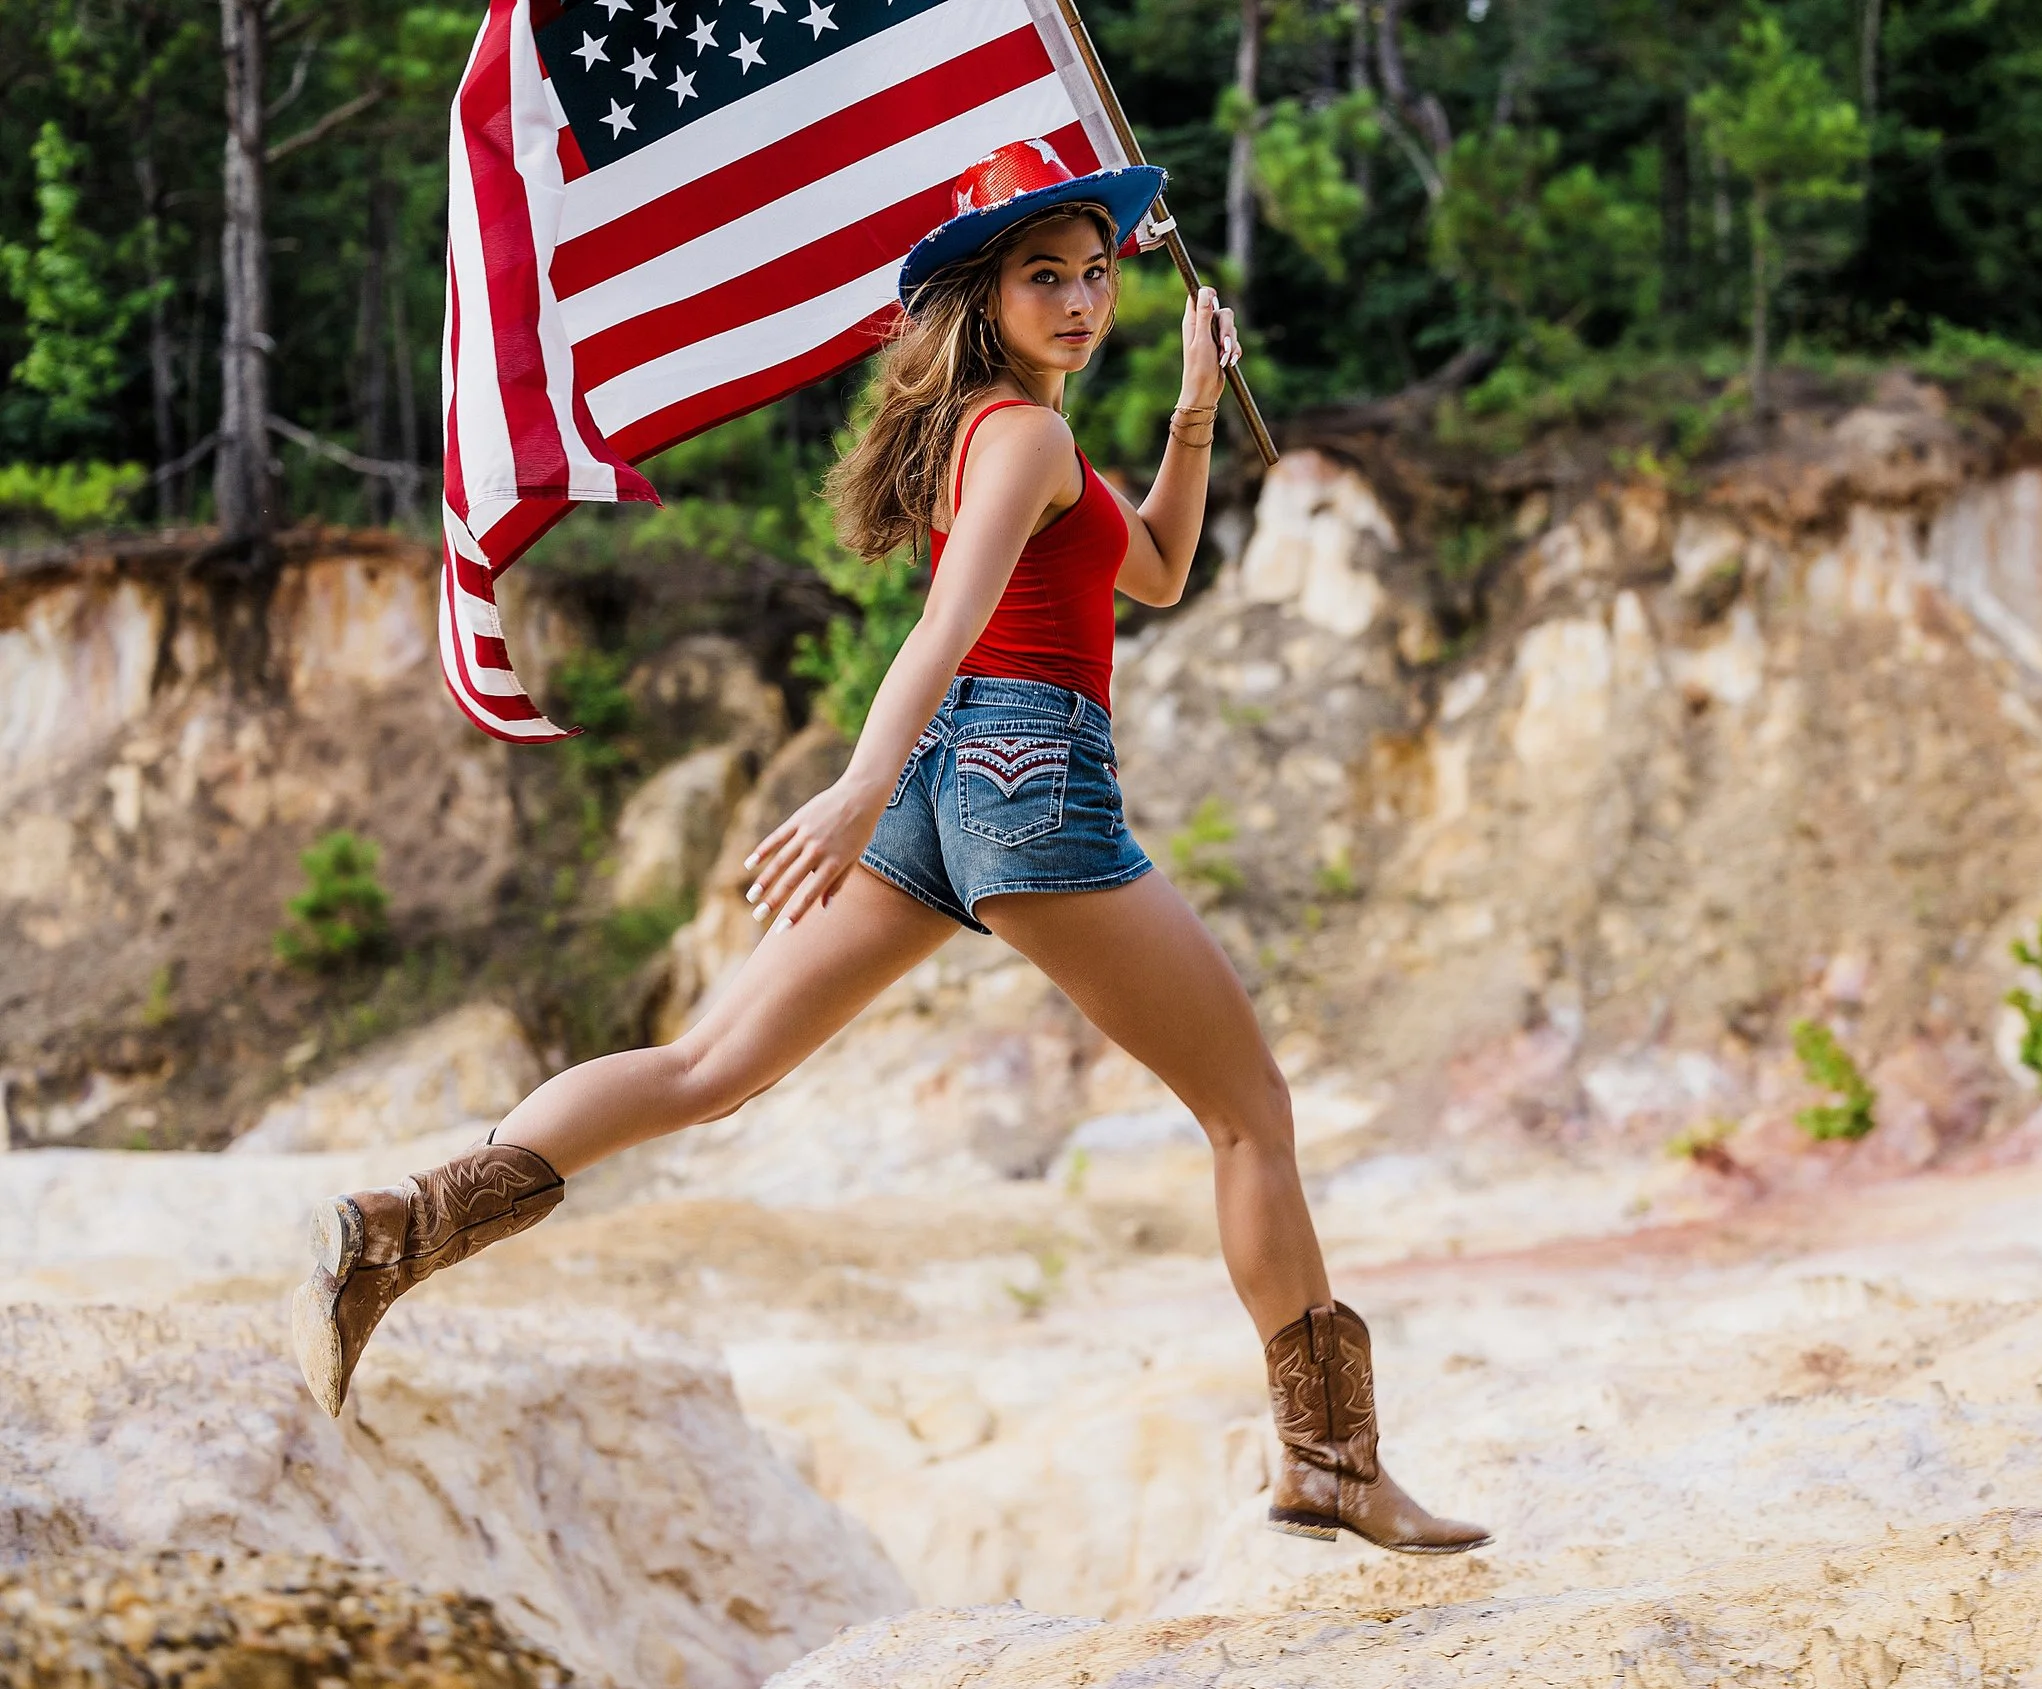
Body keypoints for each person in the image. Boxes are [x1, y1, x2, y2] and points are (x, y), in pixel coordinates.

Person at [291, 137, 1489, 1556]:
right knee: (1251, 1116)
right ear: (984, 296)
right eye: (1044, 276)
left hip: (948, 783)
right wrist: (857, 785)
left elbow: (1160, 573)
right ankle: (1332, 1466)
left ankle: (397, 1229)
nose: (1081, 300)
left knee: (706, 1069)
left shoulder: (999, 435)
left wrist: (1193, 409)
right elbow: (946, 626)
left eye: (1095, 273)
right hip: (1025, 779)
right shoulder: (1025, 438)